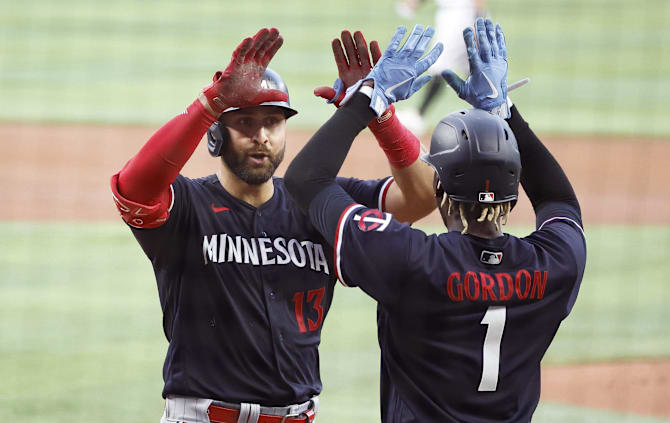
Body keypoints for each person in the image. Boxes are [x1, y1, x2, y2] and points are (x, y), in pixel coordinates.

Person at [110, 27, 437, 423]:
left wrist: (379, 113)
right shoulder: (189, 207)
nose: (261, 136)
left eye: (272, 122)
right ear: (217, 135)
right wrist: (209, 104)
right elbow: (134, 187)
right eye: (245, 122)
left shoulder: (321, 205)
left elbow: (422, 197)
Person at [285, 18, 586, 422]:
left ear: (439, 192)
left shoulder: (411, 258)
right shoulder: (555, 264)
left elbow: (304, 179)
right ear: (515, 194)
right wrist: (503, 111)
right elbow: (558, 199)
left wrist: (370, 97)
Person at [395, 0, 487, 136]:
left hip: (460, 15)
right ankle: (496, 115)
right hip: (460, 14)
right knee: (473, 69)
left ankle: (418, 115)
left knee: (440, 63)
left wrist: (479, 17)